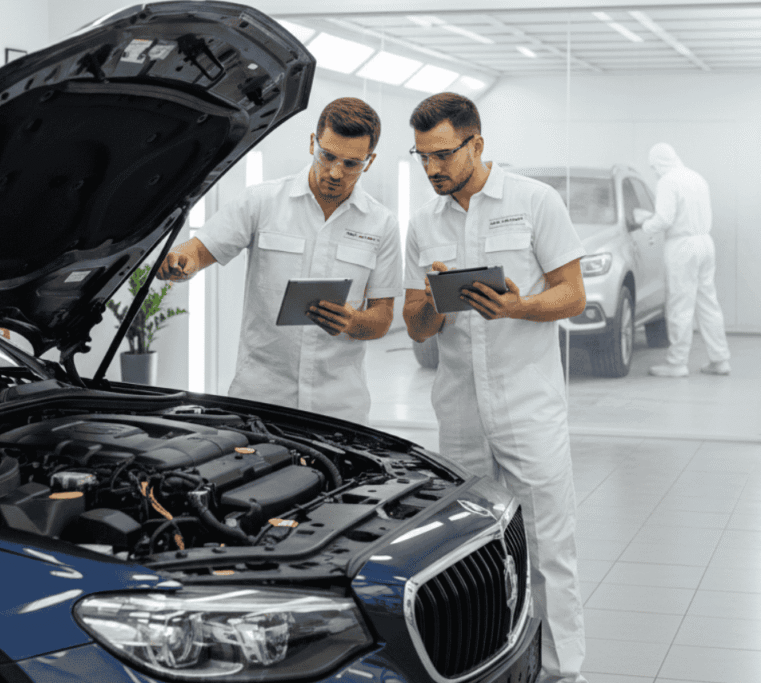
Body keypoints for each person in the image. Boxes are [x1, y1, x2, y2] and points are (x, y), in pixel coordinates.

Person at [402, 92, 589, 683]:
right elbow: (414, 323)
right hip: (459, 414)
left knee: (546, 547)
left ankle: (562, 673)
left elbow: (573, 294)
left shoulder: (535, 202)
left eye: (442, 155)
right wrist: (434, 302)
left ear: (476, 144)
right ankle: (478, 666)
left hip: (528, 410)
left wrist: (518, 307)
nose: (432, 169)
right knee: (467, 554)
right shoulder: (422, 224)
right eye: (421, 157)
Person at [157, 97, 402, 425]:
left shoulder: (382, 224)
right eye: (327, 156)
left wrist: (353, 322)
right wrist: (180, 261)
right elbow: (199, 249)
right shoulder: (261, 202)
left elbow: (382, 317)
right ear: (312, 143)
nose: (334, 172)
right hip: (261, 399)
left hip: (339, 407)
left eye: (351, 164)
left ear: (368, 162)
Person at [640, 142, 731, 377]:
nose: (655, 171)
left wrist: (645, 224)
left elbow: (665, 220)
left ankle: (677, 363)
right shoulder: (696, 178)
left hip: (682, 246)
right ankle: (720, 359)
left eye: (654, 167)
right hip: (704, 242)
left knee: (680, 305)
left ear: (659, 162)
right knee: (708, 303)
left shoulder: (668, 181)